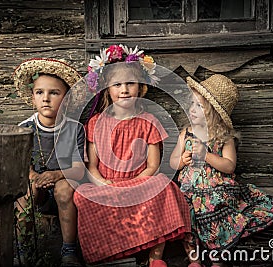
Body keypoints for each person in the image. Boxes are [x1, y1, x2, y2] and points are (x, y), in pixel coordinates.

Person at [73, 44, 191, 267]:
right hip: (109, 184)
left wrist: (136, 184)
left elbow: (152, 165)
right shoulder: (96, 123)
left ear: (141, 88)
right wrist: (103, 183)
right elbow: (93, 165)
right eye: (117, 84)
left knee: (164, 187)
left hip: (140, 182)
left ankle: (155, 258)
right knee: (82, 196)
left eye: (130, 83)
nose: (124, 89)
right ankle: (112, 254)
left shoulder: (149, 121)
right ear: (107, 89)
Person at [170, 74, 273, 267]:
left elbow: (230, 166)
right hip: (190, 189)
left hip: (217, 189)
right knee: (185, 213)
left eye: (199, 106)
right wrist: (181, 161)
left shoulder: (223, 137)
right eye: (191, 104)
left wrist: (206, 155)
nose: (192, 109)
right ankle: (194, 260)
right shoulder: (186, 133)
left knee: (217, 210)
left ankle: (218, 258)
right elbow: (172, 162)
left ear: (213, 112)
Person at [13, 58, 86, 267]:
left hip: (63, 183)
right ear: (33, 97)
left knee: (64, 189)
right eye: (39, 93)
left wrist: (55, 175)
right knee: (27, 193)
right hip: (36, 184)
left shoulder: (74, 128)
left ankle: (68, 251)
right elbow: (21, 165)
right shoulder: (25, 128)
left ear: (66, 99)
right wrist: (35, 177)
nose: (46, 98)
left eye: (54, 93)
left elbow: (79, 169)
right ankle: (22, 248)